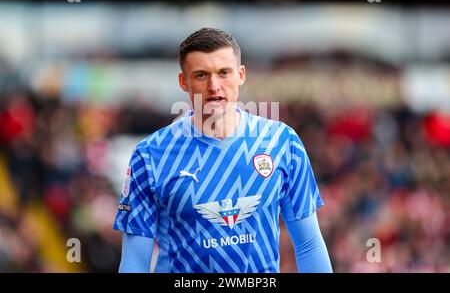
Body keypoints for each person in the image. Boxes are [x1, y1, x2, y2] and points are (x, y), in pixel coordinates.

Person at [113, 27, 333, 273]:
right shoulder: (150, 155)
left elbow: (309, 244)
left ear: (240, 75)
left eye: (223, 73)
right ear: (183, 82)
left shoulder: (282, 143)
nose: (214, 86)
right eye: (201, 75)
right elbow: (135, 261)